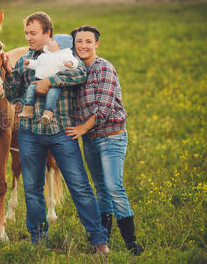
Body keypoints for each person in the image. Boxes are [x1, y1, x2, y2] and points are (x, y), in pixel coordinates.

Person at [2, 12, 109, 254]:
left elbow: (79, 73)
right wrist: (9, 75)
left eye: (33, 33)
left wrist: (50, 81)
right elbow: (13, 94)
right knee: (32, 189)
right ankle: (39, 240)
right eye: (26, 33)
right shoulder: (24, 61)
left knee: (79, 186)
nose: (28, 38)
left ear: (47, 33)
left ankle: (98, 239)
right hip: (30, 134)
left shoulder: (66, 56)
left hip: (62, 132)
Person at [65, 25, 144, 256]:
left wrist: (81, 128)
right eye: (79, 41)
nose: (83, 46)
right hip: (91, 139)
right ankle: (104, 237)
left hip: (111, 137)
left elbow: (104, 109)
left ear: (96, 44)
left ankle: (131, 243)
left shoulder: (105, 68)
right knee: (101, 188)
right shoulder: (76, 70)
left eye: (88, 41)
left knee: (113, 186)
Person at [19, 47, 79, 124]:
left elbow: (75, 62)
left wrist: (70, 63)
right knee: (30, 90)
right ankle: (28, 109)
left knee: (52, 95)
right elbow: (37, 63)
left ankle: (47, 113)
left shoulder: (65, 54)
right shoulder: (44, 55)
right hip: (39, 78)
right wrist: (29, 63)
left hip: (54, 81)